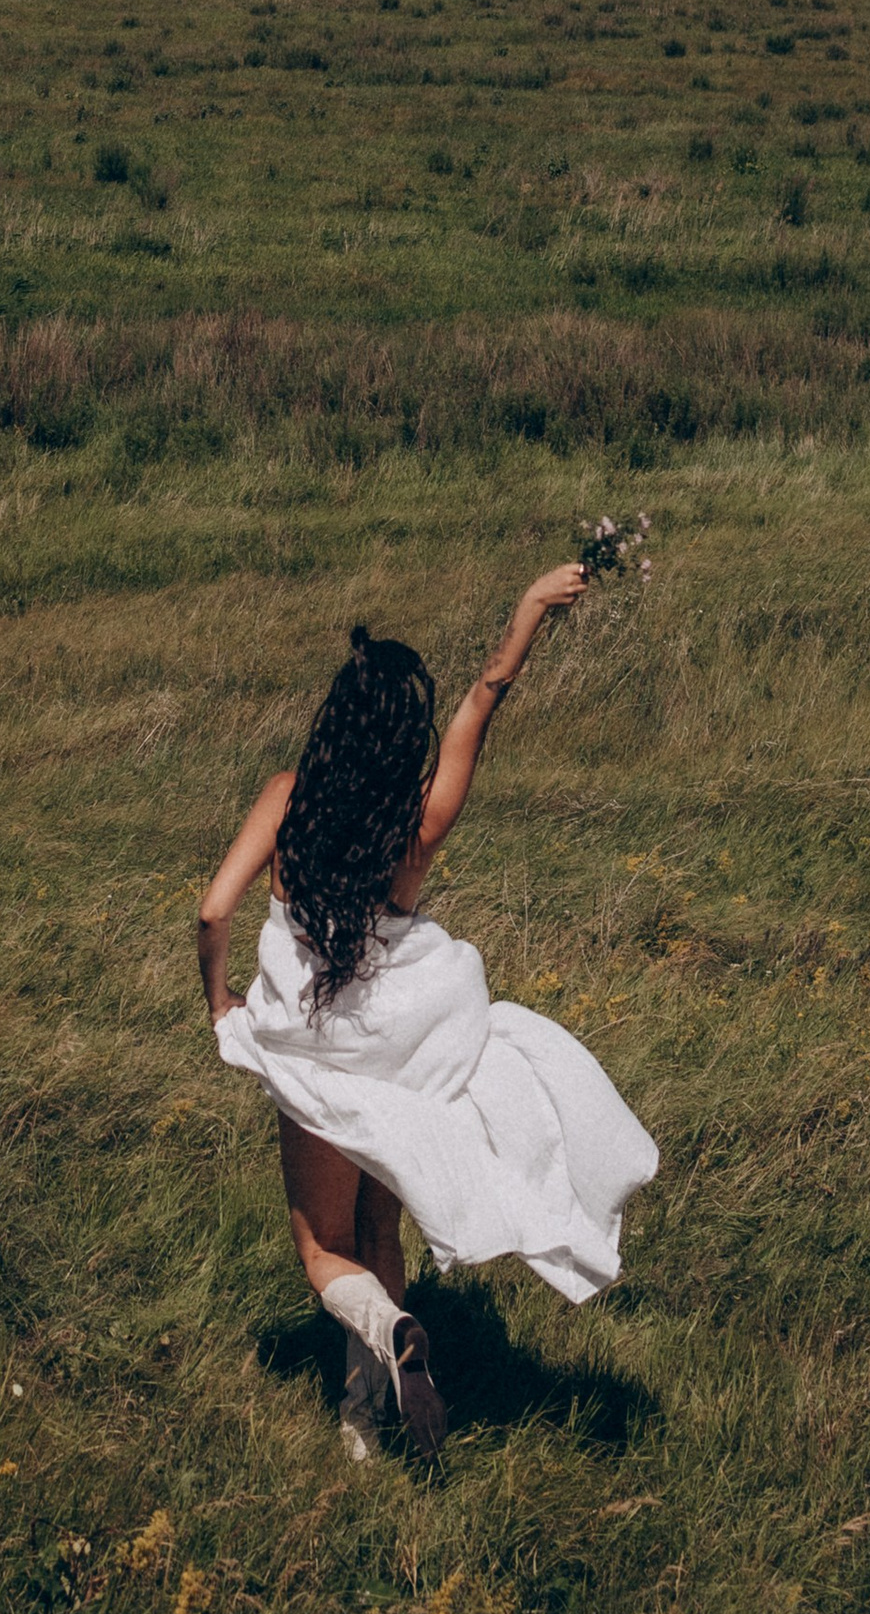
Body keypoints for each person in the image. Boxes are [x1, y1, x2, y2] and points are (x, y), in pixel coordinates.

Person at [198, 566, 657, 1459]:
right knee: (380, 1226)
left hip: (317, 1051)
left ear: (336, 721)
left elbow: (215, 911)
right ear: (403, 742)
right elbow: (481, 704)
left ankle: (391, 1335)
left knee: (325, 1252)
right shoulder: (416, 820)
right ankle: (365, 1419)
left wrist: (221, 1000)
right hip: (403, 1045)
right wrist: (526, 610)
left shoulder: (286, 796)